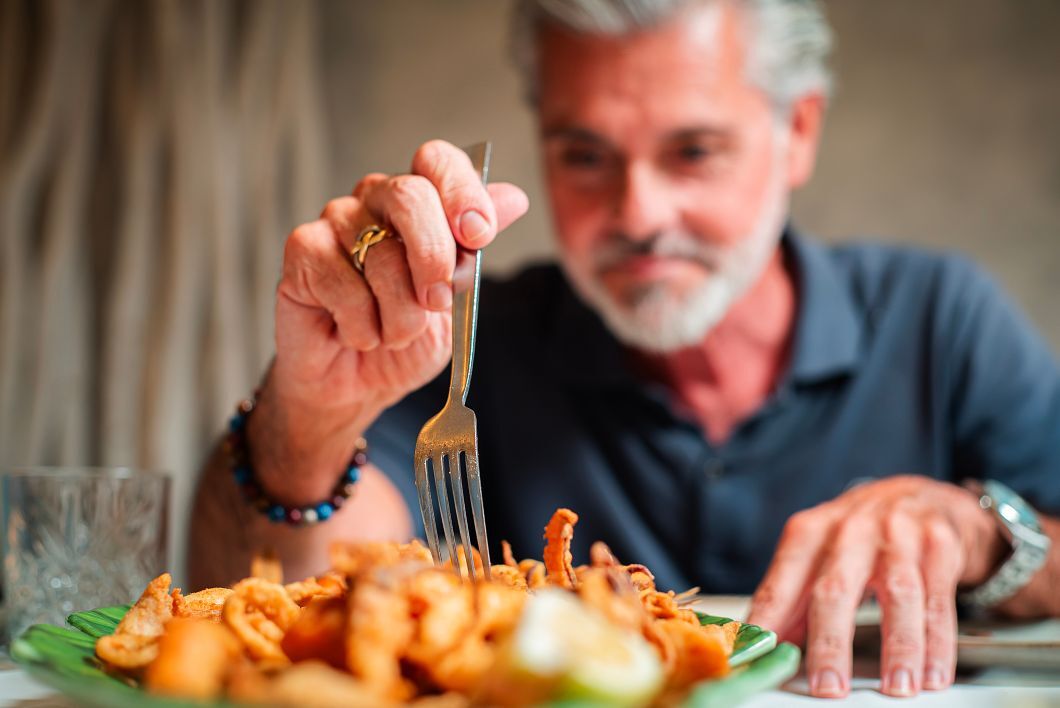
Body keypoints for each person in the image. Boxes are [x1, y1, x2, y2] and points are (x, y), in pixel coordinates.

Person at [189, 0, 1060, 699]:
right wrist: (307, 420)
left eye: (693, 151)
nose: (638, 213)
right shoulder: (462, 337)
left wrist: (982, 534)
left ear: (798, 131)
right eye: (586, 155)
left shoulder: (941, 318)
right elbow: (283, 595)